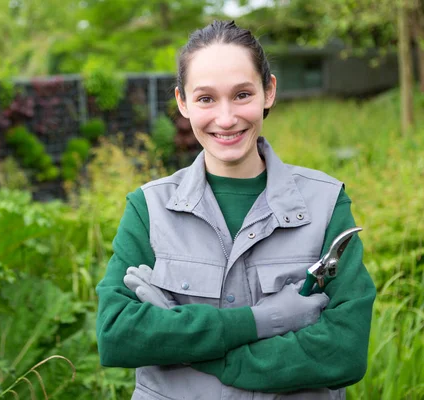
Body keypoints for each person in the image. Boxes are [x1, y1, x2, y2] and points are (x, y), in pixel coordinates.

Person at [95, 20, 376, 400]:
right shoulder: (149, 208)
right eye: (206, 99)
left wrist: (205, 355)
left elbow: (344, 351)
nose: (226, 119)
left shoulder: (325, 204)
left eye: (242, 94)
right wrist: (260, 322)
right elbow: (116, 336)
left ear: (269, 91)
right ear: (182, 102)